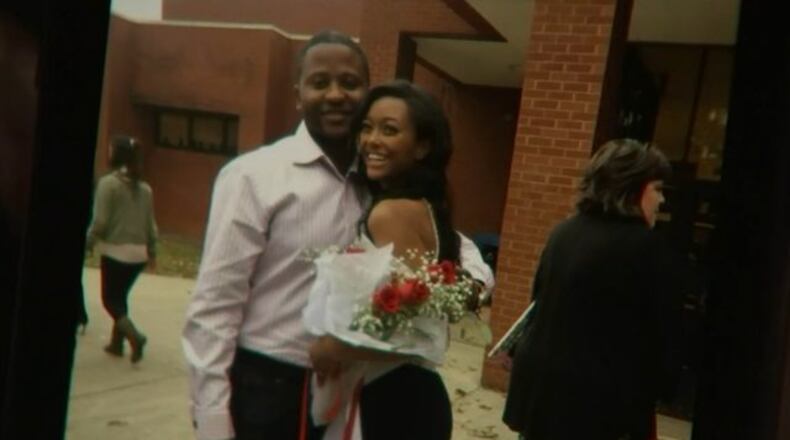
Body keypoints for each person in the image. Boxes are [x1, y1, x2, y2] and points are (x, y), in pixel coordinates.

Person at [182, 30, 493, 440]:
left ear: (365, 92)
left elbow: (462, 252)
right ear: (298, 94)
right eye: (319, 82)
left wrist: (461, 290)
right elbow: (215, 308)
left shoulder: (380, 180)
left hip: (353, 392)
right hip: (269, 390)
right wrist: (212, 418)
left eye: (349, 83)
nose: (334, 94)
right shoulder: (254, 177)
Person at [308, 80, 466, 439]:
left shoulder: (390, 214)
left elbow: (413, 333)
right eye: (366, 128)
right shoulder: (426, 206)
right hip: (409, 396)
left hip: (396, 400)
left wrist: (330, 347)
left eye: (389, 130)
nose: (371, 141)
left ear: (422, 146)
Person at [502, 139, 685, 440]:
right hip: (602, 409)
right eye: (658, 189)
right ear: (632, 187)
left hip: (543, 398)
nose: (661, 200)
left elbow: (539, 305)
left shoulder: (563, 232)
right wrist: (665, 387)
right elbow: (663, 332)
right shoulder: (647, 249)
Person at [86, 135, 157, 364]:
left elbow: (100, 222)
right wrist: (152, 250)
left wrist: (89, 241)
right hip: (139, 255)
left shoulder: (108, 185)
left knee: (109, 300)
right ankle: (117, 344)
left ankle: (135, 336)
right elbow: (151, 225)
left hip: (116, 252)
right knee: (120, 296)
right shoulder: (145, 189)